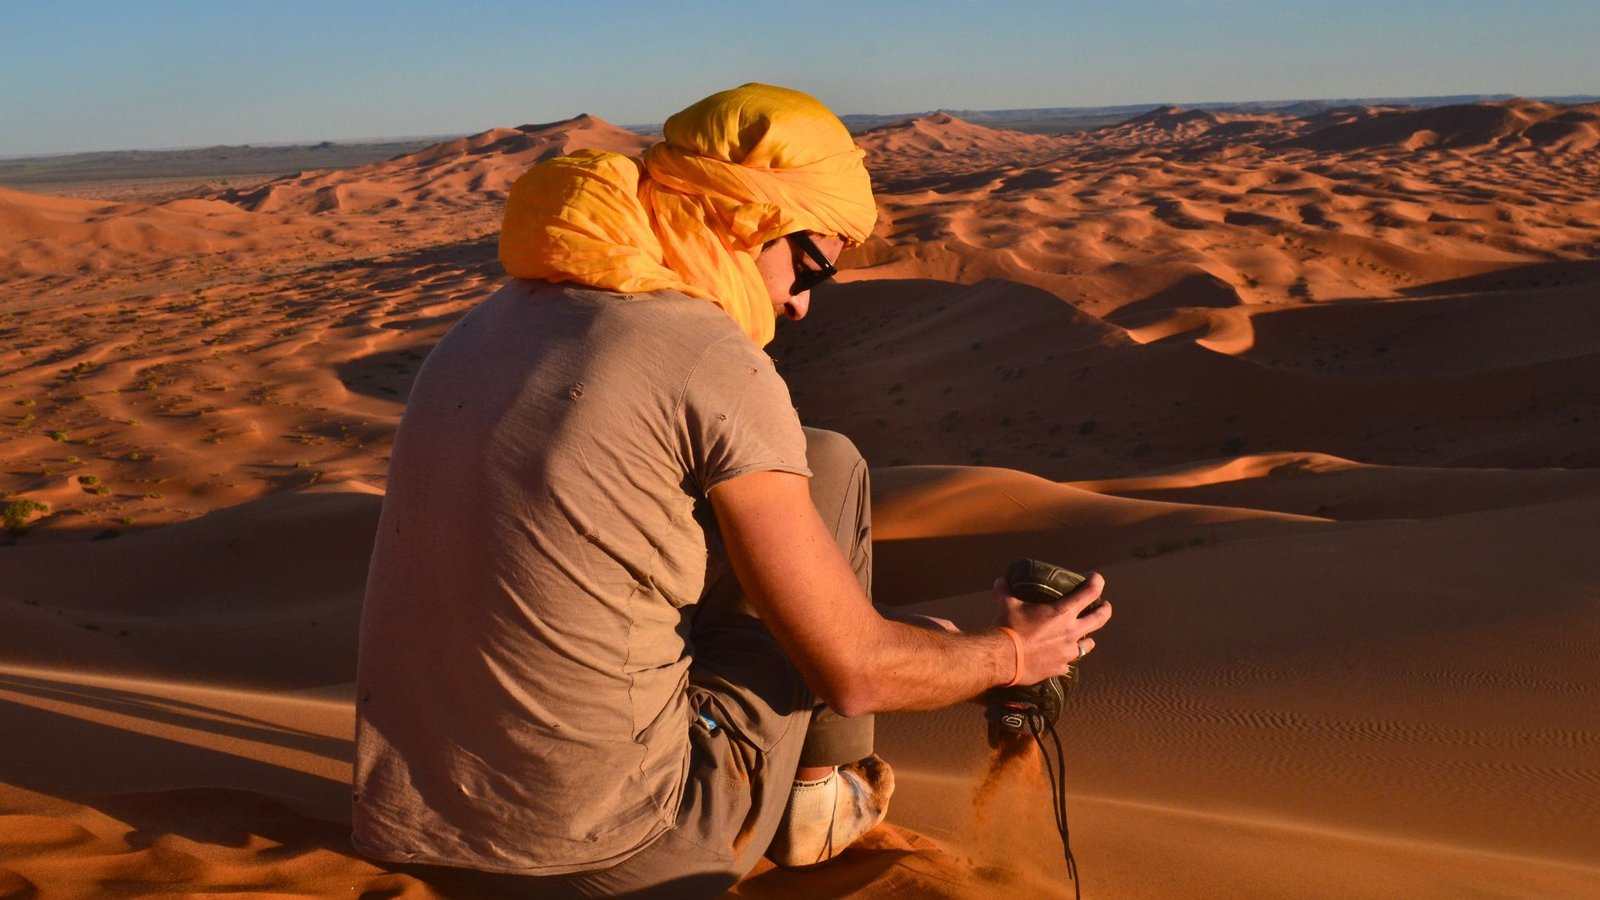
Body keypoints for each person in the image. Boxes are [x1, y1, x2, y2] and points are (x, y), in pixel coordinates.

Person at [351, 83, 1111, 898]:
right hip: (625, 849)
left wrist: (905, 640)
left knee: (806, 489)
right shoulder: (707, 355)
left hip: (420, 827)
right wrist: (1013, 655)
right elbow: (857, 673)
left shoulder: (490, 323)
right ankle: (817, 800)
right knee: (828, 481)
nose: (801, 303)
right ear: (749, 219)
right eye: (811, 264)